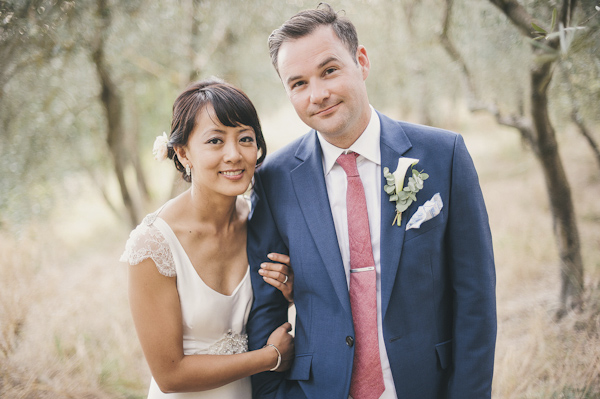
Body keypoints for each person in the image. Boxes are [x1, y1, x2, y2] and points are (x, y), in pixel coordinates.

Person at [246, 3, 497, 398]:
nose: (319, 94)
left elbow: (475, 297)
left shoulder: (443, 155)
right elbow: (263, 312)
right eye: (298, 83)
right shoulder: (273, 181)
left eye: (329, 70)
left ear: (361, 62)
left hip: (427, 385)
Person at [120, 79, 295, 399]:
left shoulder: (258, 221)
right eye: (215, 141)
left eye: (245, 139)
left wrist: (291, 290)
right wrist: (271, 357)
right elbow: (169, 374)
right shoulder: (153, 245)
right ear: (183, 153)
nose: (234, 155)